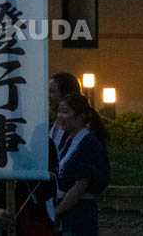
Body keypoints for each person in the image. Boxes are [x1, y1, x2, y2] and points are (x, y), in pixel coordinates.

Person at [54, 94, 110, 236]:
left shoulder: (89, 144)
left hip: (80, 217)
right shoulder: (69, 141)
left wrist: (56, 211)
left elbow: (79, 187)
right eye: (59, 111)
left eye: (65, 112)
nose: (60, 116)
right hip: (68, 216)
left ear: (80, 117)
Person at [49, 72, 82, 151]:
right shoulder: (52, 125)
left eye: (52, 91)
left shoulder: (77, 130)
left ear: (65, 94)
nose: (47, 95)